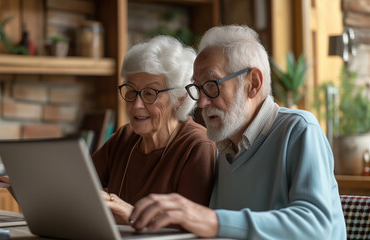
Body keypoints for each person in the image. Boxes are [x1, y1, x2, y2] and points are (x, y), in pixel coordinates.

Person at [129, 25, 347, 239]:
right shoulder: (224, 147)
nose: (202, 103)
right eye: (197, 87)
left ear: (253, 83)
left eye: (212, 85)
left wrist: (212, 220)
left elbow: (317, 226)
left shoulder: (299, 129)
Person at [0, 35, 216, 226]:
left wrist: (130, 214)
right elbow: (73, 192)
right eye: (130, 91)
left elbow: (190, 229)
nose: (136, 104)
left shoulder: (197, 146)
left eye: (150, 93)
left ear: (179, 97)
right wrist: (24, 184)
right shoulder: (125, 137)